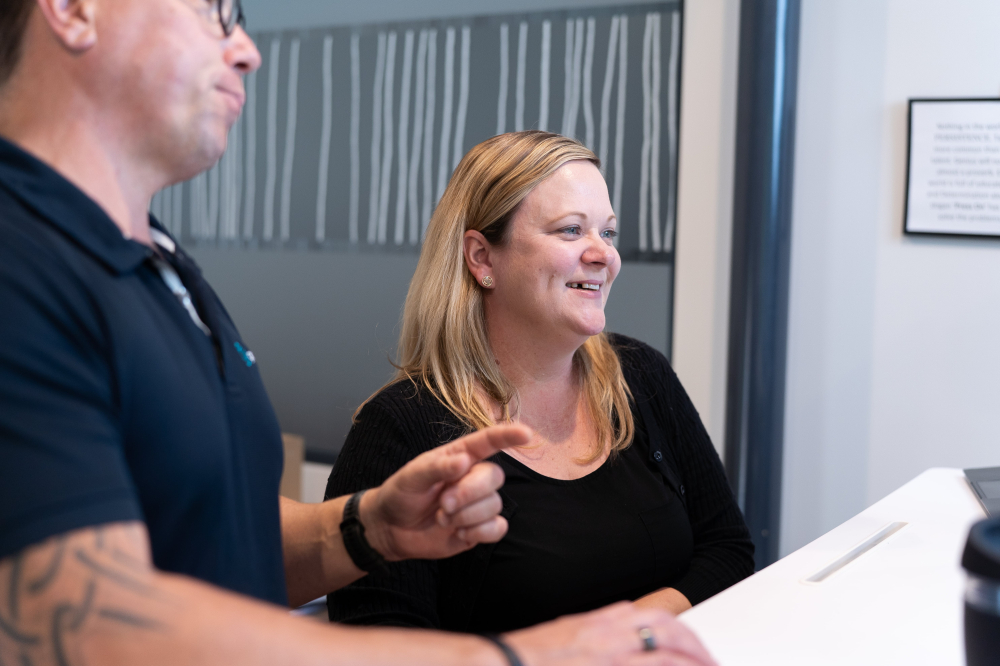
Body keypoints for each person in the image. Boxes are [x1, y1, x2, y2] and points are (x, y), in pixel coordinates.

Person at [0, 0, 720, 665]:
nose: (247, 49)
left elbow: (224, 539)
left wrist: (365, 527)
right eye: (214, 11)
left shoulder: (157, 264)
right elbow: (72, 620)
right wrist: (517, 657)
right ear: (72, 8)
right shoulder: (19, 260)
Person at [326, 131, 755, 633]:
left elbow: (728, 550)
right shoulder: (401, 430)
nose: (604, 255)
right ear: (482, 258)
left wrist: (625, 633)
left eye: (608, 232)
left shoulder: (641, 377)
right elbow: (382, 644)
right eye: (571, 230)